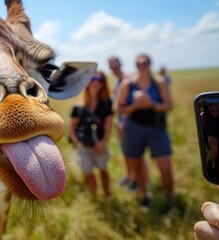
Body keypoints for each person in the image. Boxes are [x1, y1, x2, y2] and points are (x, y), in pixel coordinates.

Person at [115, 53, 174, 208]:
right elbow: (117, 108)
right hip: (134, 129)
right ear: (136, 65)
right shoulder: (128, 84)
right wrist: (135, 106)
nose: (142, 65)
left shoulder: (159, 82)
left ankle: (170, 199)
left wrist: (152, 104)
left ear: (149, 63)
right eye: (139, 63)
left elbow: (168, 105)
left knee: (166, 168)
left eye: (145, 62)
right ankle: (144, 195)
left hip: (157, 128)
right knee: (138, 166)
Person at [69, 70, 113, 199]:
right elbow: (72, 127)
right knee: (88, 171)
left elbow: (108, 125)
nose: (96, 83)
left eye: (100, 80)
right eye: (93, 79)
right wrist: (78, 143)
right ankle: (93, 196)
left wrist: (103, 143)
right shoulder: (78, 105)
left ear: (103, 84)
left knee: (103, 169)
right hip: (83, 145)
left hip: (100, 143)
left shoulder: (106, 103)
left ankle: (106, 195)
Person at [108, 56, 138, 189]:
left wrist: (123, 123)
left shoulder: (127, 79)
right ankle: (129, 176)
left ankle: (136, 181)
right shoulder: (119, 80)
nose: (114, 70)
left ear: (121, 65)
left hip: (128, 121)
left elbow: (129, 103)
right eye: (111, 68)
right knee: (126, 152)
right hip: (122, 120)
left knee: (134, 154)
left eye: (115, 67)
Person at [204, 97, 219, 177]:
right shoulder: (206, 119)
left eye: (218, 103)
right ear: (206, 107)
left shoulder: (208, 121)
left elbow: (214, 150)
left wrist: (211, 165)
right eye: (210, 104)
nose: (214, 107)